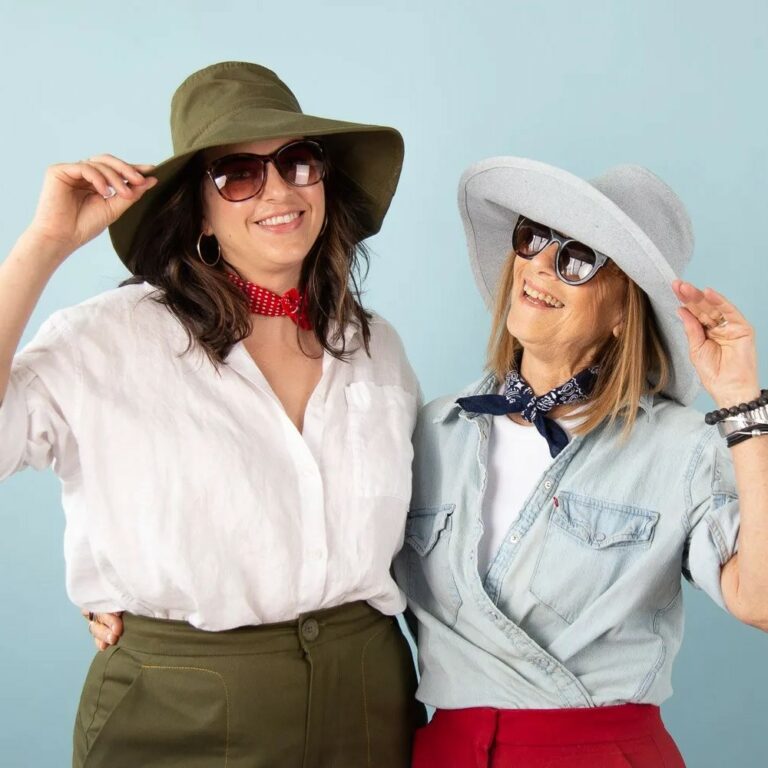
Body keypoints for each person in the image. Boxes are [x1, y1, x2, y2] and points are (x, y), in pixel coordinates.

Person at [0, 61, 424, 767]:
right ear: (195, 206)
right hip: (179, 709)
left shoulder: (375, 346)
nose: (280, 191)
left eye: (297, 162)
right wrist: (42, 245)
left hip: (369, 703)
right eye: (237, 173)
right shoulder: (109, 338)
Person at [394, 157, 768, 767]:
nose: (541, 263)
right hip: (446, 753)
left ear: (624, 311)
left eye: (576, 259)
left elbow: (762, 602)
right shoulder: (434, 432)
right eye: (534, 237)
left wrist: (743, 407)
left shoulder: (681, 449)